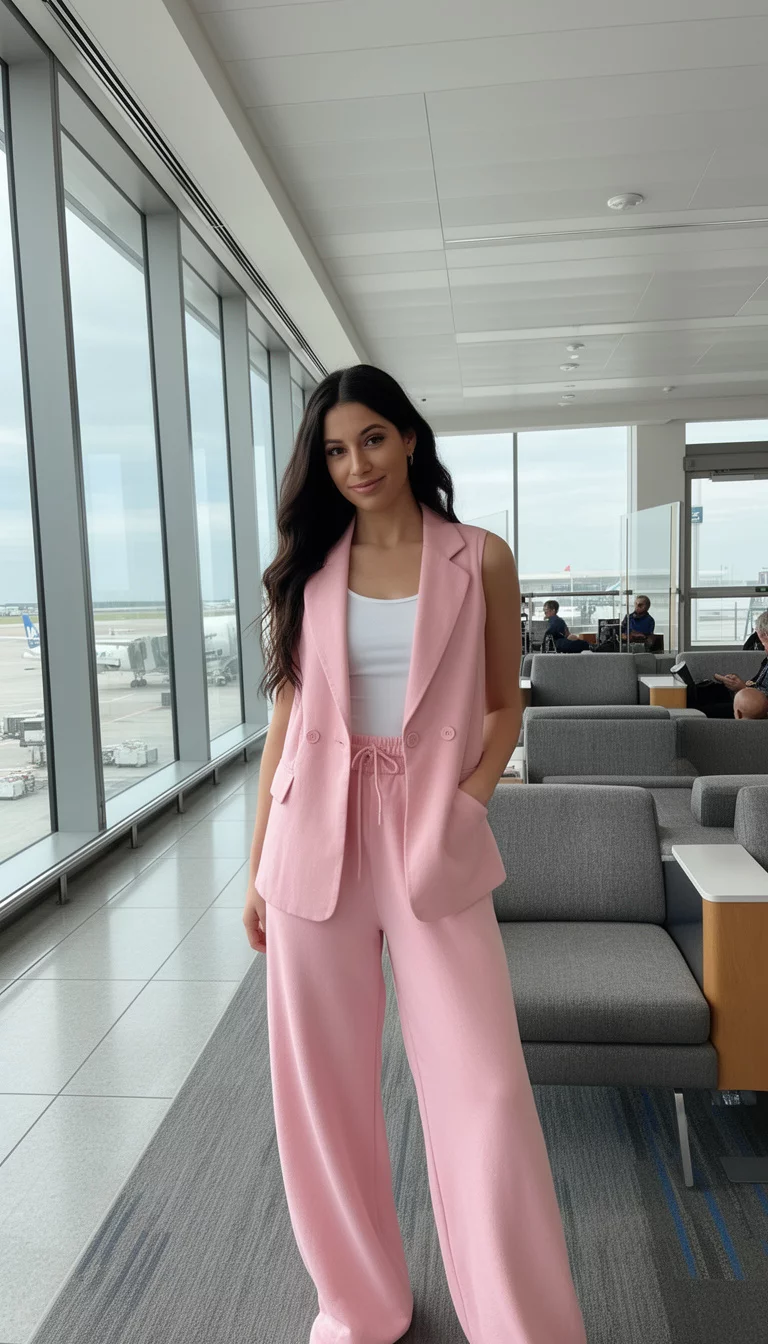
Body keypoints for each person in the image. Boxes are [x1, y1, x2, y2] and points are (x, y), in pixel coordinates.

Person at [242, 365, 587, 1344]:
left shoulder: (477, 556)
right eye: (337, 450)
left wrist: (466, 806)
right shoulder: (309, 571)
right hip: (315, 840)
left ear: (410, 439)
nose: (356, 464)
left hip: (430, 832)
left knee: (482, 1086)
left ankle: (519, 1321)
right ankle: (360, 1307)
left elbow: (500, 704)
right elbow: (287, 720)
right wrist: (258, 863)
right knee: (323, 1094)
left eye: (373, 441)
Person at [714, 610, 768, 719]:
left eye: (763, 642)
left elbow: (763, 703)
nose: (764, 648)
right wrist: (743, 686)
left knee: (707, 710)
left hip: (756, 710)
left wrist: (743, 688)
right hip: (751, 700)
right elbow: (759, 685)